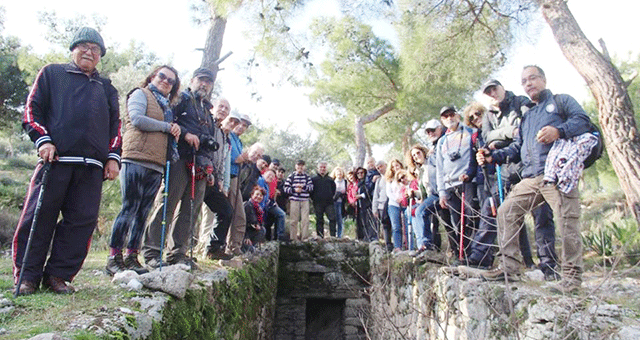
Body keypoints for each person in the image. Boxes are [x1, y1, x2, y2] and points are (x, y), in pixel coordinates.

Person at [14, 27, 121, 295]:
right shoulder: (53, 73)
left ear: (100, 56)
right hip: (56, 160)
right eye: (84, 46)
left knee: (81, 222)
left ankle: (58, 276)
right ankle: (27, 276)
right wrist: (44, 140)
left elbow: (116, 128)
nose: (89, 51)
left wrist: (113, 158)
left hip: (92, 168)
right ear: (73, 48)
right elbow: (31, 110)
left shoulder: (106, 87)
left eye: (95, 49)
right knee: (38, 218)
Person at [478, 65, 592, 293]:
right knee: (506, 211)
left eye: (533, 78)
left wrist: (559, 131)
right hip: (530, 178)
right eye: (524, 81)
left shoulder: (561, 101)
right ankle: (509, 268)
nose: (528, 84)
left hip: (557, 176)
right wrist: (493, 156)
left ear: (544, 79)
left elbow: (583, 121)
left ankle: (571, 280)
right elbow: (517, 146)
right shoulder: (528, 115)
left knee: (566, 223)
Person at [472, 79, 558, 279]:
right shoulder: (487, 117)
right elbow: (488, 138)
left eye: (495, 88)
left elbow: (525, 131)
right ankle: (482, 260)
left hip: (531, 165)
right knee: (496, 210)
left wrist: (500, 138)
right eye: (488, 92)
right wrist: (507, 133)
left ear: (502, 88)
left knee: (541, 214)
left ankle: (549, 266)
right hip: (504, 168)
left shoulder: (521, 103)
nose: (493, 93)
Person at [106, 65, 181, 276]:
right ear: (152, 76)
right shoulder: (140, 94)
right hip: (135, 158)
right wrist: (168, 127)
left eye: (171, 81)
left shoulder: (166, 107)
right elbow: (137, 119)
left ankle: (131, 256)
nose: (165, 81)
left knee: (142, 213)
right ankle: (113, 257)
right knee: (129, 209)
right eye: (162, 76)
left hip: (156, 164)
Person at [141, 67, 217, 269]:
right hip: (179, 158)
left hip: (200, 166)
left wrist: (210, 169)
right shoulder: (182, 99)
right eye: (201, 80)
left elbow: (209, 141)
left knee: (191, 210)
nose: (204, 84)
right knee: (167, 203)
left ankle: (178, 253)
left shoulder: (207, 110)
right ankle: (151, 251)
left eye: (208, 82)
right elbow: (166, 119)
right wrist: (184, 133)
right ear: (192, 80)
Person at [436, 106, 475, 261]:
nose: (449, 118)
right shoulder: (441, 142)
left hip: (468, 182)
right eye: (445, 117)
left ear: (458, 116)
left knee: (471, 218)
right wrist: (442, 192)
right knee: (457, 222)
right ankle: (463, 255)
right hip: (450, 186)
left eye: (451, 115)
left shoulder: (470, 133)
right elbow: (439, 168)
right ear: (442, 121)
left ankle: (474, 254)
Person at [200, 106, 238, 260]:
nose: (223, 110)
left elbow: (223, 162)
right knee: (189, 212)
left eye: (226, 109)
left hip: (214, 179)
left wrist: (222, 181)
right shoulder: (207, 125)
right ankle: (175, 251)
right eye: (220, 107)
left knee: (226, 210)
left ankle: (214, 249)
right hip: (200, 172)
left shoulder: (224, 137)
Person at [405, 144, 436, 253]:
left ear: (423, 152)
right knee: (415, 211)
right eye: (413, 155)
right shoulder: (420, 170)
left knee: (420, 211)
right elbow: (423, 192)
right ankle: (423, 244)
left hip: (437, 194)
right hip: (429, 196)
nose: (416, 156)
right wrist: (413, 193)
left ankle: (426, 243)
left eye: (418, 153)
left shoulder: (432, 163)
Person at [284, 160, 314, 241]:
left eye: (302, 166)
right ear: (295, 166)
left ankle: (304, 238)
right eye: (298, 165)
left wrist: (303, 187)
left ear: (304, 167)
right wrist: (294, 190)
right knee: (293, 220)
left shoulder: (307, 177)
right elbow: (286, 189)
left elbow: (311, 188)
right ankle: (293, 238)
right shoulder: (291, 176)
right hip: (294, 200)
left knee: (305, 220)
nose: (300, 167)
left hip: (305, 200)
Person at [385, 159, 407, 251]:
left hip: (405, 204)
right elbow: (388, 193)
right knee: (396, 227)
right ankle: (397, 246)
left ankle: (409, 245)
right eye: (393, 167)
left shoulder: (406, 176)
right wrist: (396, 199)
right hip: (393, 205)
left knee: (407, 225)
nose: (395, 168)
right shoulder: (390, 180)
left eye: (397, 165)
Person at [311, 161, 337, 238]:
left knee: (332, 219)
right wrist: (314, 198)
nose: (322, 169)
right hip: (317, 203)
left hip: (329, 203)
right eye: (321, 167)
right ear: (318, 168)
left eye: (324, 167)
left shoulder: (330, 180)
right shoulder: (313, 179)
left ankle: (333, 236)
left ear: (326, 169)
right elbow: (311, 191)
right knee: (319, 220)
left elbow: (333, 190)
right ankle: (320, 236)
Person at [351, 167, 378, 241]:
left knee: (369, 222)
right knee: (361, 222)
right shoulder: (357, 183)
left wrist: (360, 196)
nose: (360, 174)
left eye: (361, 172)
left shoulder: (367, 181)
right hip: (359, 206)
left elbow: (369, 190)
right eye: (358, 173)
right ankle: (362, 238)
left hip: (367, 205)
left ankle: (371, 238)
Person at [371, 161, 392, 251]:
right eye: (378, 168)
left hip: (392, 204)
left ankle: (399, 244)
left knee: (395, 225)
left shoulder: (392, 177)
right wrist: (374, 209)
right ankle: (388, 245)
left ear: (386, 165)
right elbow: (376, 195)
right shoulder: (379, 180)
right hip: (381, 206)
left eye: (381, 166)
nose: (380, 169)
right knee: (385, 226)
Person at [243, 186, 268, 252]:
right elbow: (242, 222)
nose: (259, 197)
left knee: (262, 230)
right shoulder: (247, 206)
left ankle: (253, 245)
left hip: (252, 232)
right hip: (243, 233)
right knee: (250, 250)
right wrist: (246, 237)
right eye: (257, 194)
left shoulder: (258, 208)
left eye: (261, 195)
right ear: (252, 195)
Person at [332, 166, 348, 238]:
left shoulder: (345, 182)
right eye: (338, 173)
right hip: (334, 202)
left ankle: (340, 235)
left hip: (342, 202)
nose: (339, 174)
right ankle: (334, 235)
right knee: (335, 219)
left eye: (340, 173)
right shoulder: (332, 181)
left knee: (341, 219)